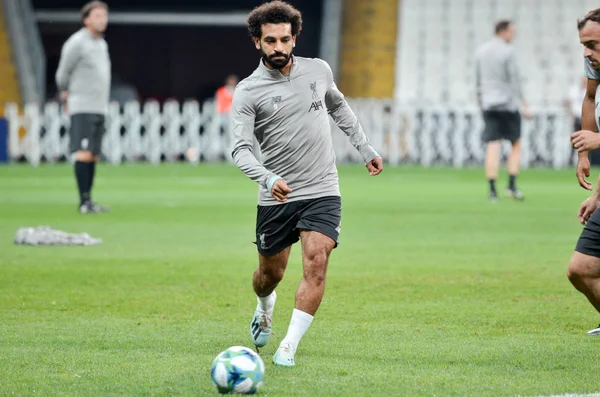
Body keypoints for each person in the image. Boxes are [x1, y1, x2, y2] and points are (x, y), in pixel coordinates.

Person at [230, 0, 383, 367]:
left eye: (285, 39)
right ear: (257, 42)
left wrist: (365, 148)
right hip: (277, 195)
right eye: (270, 41)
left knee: (317, 262)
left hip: (322, 188)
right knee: (270, 275)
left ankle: (289, 346)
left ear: (295, 38)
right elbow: (239, 150)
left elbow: (338, 106)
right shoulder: (248, 92)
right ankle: (265, 304)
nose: (278, 48)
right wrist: (268, 178)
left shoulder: (318, 71)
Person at [56, 1, 111, 214]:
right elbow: (64, 71)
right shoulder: (77, 42)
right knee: (84, 153)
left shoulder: (101, 44)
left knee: (94, 154)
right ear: (86, 19)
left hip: (99, 106)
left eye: (104, 16)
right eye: (97, 16)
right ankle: (83, 201)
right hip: (83, 104)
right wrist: (66, 92)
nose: (102, 20)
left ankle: (89, 199)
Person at [567, 8, 600, 336]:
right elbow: (590, 98)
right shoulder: (595, 64)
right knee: (581, 269)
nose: (587, 53)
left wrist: (597, 138)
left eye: (593, 44)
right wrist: (585, 153)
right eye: (583, 45)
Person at [475, 20, 531, 203]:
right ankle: (512, 185)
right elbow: (514, 79)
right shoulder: (508, 51)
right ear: (504, 31)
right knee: (515, 144)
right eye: (512, 31)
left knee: (492, 145)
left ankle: (492, 190)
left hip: (489, 104)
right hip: (507, 104)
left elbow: (477, 80)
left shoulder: (482, 50)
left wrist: (480, 103)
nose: (514, 35)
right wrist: (524, 103)